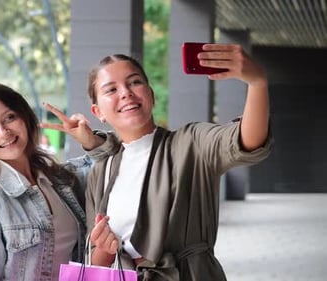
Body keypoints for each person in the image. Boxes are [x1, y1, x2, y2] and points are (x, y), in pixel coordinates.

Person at [69, 44, 271, 280]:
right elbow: (95, 257)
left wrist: (257, 83)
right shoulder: (102, 170)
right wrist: (103, 252)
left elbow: (248, 141)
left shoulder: (191, 143)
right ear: (98, 111)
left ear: (151, 95)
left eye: (134, 82)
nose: (126, 92)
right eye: (111, 89)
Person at [0, 81, 117, 281]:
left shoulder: (60, 180)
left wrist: (89, 140)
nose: (4, 132)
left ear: (25, 118)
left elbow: (113, 163)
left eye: (10, 118)